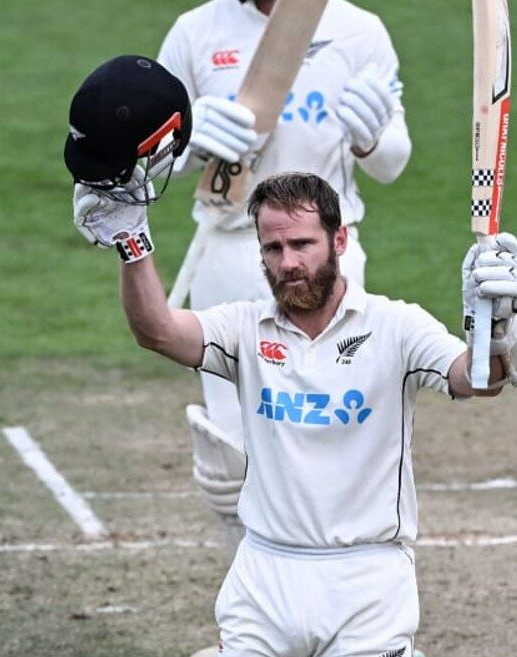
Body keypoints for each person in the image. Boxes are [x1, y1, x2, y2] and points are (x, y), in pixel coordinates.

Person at [65, 55, 517, 657]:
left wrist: (495, 329)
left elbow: (479, 380)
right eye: (274, 247)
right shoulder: (242, 328)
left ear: (339, 240)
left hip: (367, 580)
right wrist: (132, 245)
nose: (288, 261)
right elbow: (156, 330)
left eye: (303, 244)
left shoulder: (393, 326)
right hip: (265, 575)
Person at [142, 0, 414, 558]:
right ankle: (254, 614)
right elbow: (149, 164)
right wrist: (191, 141)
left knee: (330, 433)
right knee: (232, 455)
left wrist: (370, 138)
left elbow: (393, 161)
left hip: (327, 262)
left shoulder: (359, 31)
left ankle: (347, 598)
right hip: (228, 251)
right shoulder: (197, 31)